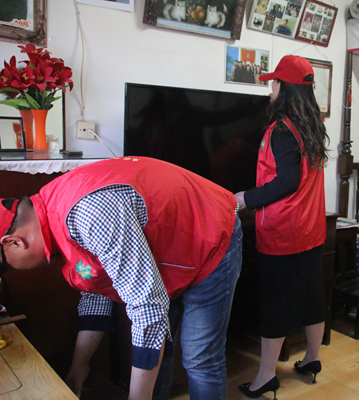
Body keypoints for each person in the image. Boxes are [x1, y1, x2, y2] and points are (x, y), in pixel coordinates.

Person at [0, 156, 242, 400]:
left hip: (210, 231)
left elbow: (149, 309)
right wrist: (78, 369)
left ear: (13, 242)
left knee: (199, 357)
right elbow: (97, 290)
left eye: (6, 268)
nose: (12, 272)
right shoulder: (52, 220)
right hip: (168, 245)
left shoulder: (88, 215)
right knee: (160, 352)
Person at [233, 55, 329, 399]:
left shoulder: (282, 130)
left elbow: (287, 181)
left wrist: (246, 198)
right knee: (312, 298)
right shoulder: (312, 126)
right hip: (311, 230)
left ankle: (266, 377)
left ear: (283, 87)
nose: (269, 89)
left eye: (273, 82)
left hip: (284, 233)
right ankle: (312, 359)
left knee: (274, 306)